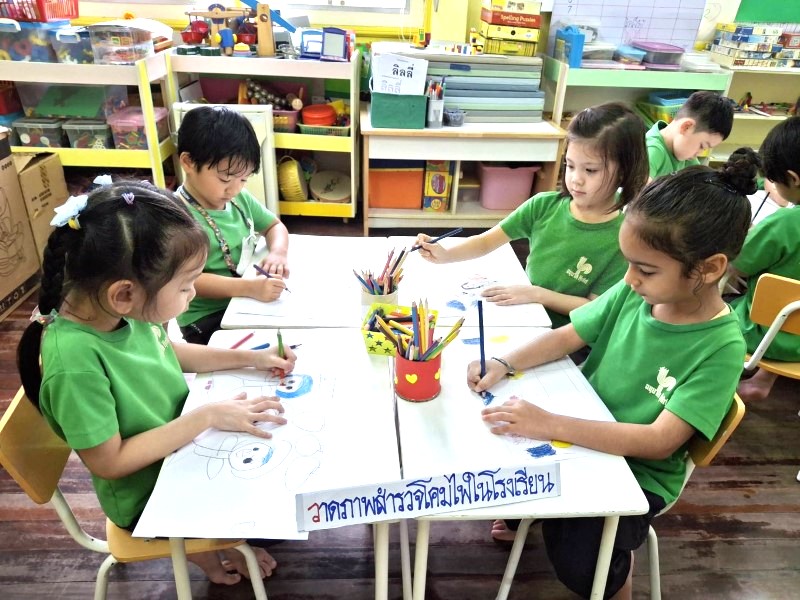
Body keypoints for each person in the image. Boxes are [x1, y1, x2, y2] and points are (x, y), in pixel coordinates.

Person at [470, 153, 757, 600]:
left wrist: (549, 424)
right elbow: (569, 335)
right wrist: (504, 363)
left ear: (710, 268)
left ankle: (615, 575)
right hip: (586, 421)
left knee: (582, 565)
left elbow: (659, 442)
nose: (630, 278)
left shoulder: (721, 347)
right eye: (629, 263)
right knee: (497, 459)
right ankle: (532, 514)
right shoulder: (634, 290)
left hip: (639, 473)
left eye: (646, 269)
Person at [16, 182, 297, 585]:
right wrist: (207, 417)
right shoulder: (74, 364)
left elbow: (167, 352)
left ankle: (208, 546)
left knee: (279, 473)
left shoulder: (115, 310)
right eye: (185, 286)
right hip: (147, 498)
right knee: (276, 507)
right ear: (124, 293)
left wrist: (254, 358)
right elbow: (110, 462)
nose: (193, 294)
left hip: (178, 448)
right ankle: (204, 552)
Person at [415, 102, 648, 330]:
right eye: (570, 166)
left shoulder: (623, 237)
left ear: (623, 172)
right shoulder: (543, 205)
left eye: (590, 170)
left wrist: (537, 294)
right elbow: (486, 241)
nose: (576, 179)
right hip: (525, 314)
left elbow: (595, 308)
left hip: (567, 335)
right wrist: (446, 254)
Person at [175, 105, 291, 345]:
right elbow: (188, 280)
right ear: (188, 162)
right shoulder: (176, 215)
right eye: (225, 179)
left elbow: (274, 226)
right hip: (206, 317)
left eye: (244, 179)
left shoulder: (239, 199)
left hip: (245, 298)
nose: (235, 189)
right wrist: (249, 288)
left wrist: (278, 253)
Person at [731, 117, 800, 401]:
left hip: (766, 336)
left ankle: (721, 376)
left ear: (793, 179)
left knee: (724, 311)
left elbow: (738, 264)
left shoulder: (784, 223)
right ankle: (763, 380)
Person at [646, 90, 733, 181]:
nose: (699, 153)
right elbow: (640, 188)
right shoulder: (651, 150)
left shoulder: (684, 153)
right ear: (686, 127)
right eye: (702, 146)